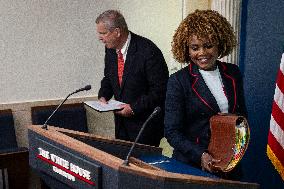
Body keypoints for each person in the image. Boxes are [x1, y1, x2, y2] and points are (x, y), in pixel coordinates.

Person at [164, 10, 247, 180]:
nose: (202, 53)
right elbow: (172, 131)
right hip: (191, 164)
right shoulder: (178, 81)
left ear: (219, 44)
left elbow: (242, 115)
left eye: (208, 45)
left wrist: (236, 150)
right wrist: (201, 154)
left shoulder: (233, 72)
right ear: (187, 50)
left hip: (228, 164)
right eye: (195, 48)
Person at [95, 10, 169, 147]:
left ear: (117, 32)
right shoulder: (110, 49)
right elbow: (109, 77)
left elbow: (160, 90)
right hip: (121, 124)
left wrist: (134, 108)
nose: (100, 38)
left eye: (103, 33)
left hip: (145, 126)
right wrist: (103, 95)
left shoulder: (148, 51)